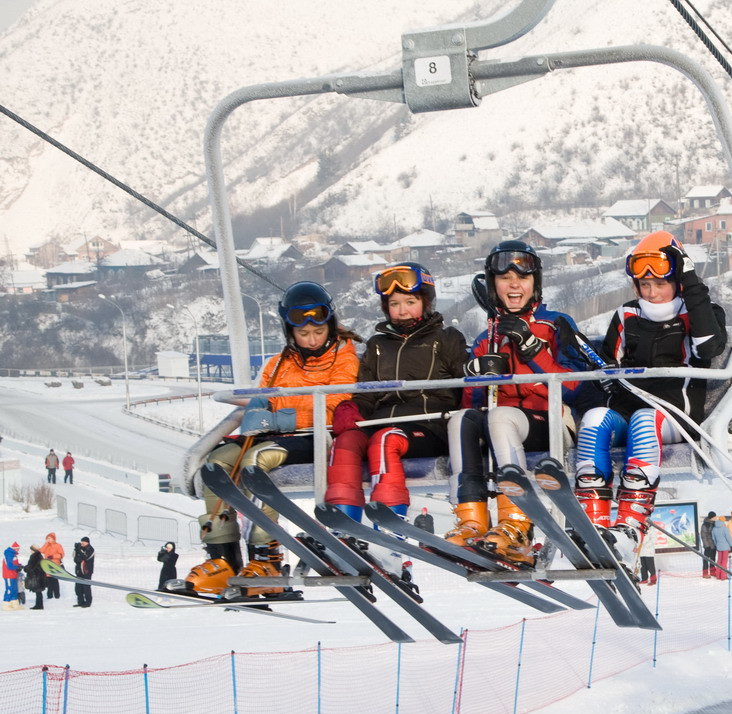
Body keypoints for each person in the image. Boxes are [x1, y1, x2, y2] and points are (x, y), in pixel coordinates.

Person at [183, 280, 361, 596]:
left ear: (330, 327)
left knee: (255, 463)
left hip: (315, 437)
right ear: (290, 332)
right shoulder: (279, 363)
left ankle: (267, 557)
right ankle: (222, 558)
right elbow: (265, 396)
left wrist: (284, 415)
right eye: (303, 334)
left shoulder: (344, 357)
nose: (311, 339)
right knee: (216, 464)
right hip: (277, 434)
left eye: (318, 332)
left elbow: (337, 403)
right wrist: (259, 410)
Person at [573, 231, 727, 545]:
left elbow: (709, 346)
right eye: (645, 285)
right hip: (628, 409)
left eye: (660, 284)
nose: (652, 293)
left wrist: (690, 281)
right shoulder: (627, 315)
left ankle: (630, 526)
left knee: (646, 419)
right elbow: (606, 363)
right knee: (594, 420)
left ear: (678, 280)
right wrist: (601, 371)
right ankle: (592, 526)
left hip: (674, 413)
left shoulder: (700, 315)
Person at [453, 240, 592, 564]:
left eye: (523, 278)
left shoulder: (555, 324)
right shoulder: (486, 337)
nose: (514, 284)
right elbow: (471, 405)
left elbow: (574, 387)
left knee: (500, 416)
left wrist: (533, 351)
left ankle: (518, 525)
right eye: (505, 278)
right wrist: (474, 377)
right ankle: (472, 522)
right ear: (493, 285)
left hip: (553, 423)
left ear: (535, 283)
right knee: (461, 420)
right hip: (502, 429)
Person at [327, 262, 467, 527]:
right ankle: (344, 524)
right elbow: (367, 393)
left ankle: (391, 523)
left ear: (425, 302)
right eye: (394, 304)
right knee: (344, 443)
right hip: (381, 421)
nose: (402, 311)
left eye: (410, 301)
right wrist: (353, 408)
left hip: (428, 424)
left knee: (384, 441)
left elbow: (465, 384)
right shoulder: (378, 345)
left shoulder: (446, 338)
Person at [40, 531, 64, 600]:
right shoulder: (47, 545)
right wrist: (46, 543)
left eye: (50, 538)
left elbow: (61, 555)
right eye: (47, 538)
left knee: (55, 580)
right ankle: (49, 595)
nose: (49, 539)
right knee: (49, 580)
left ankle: (57, 595)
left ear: (53, 539)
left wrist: (53, 556)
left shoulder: (58, 545)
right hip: (47, 565)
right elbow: (41, 550)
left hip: (55, 565)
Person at [72, 536, 95, 608]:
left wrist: (79, 551)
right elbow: (75, 559)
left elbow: (86, 557)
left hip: (87, 571)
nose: (82, 543)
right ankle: (80, 602)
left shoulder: (90, 549)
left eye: (84, 541)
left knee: (86, 587)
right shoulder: (79, 548)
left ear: (87, 542)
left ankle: (88, 602)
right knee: (78, 587)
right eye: (81, 541)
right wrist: (76, 549)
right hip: (79, 570)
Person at [710, 513, 732, 581]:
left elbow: (714, 539)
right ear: (723, 521)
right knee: (724, 561)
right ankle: (723, 576)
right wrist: (731, 545)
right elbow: (728, 538)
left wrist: (717, 545)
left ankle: (718, 575)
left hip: (719, 547)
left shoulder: (714, 529)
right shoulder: (724, 528)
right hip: (725, 547)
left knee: (719, 561)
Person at [24, 544, 48, 610]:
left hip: (36, 576)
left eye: (31, 549)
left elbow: (31, 567)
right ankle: (39, 605)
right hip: (40, 576)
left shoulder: (34, 556)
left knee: (38, 592)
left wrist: (25, 568)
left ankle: (39, 606)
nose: (30, 551)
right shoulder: (40, 556)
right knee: (38, 592)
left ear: (33, 550)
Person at [638, 520, 659, 587]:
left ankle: (653, 580)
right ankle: (644, 579)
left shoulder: (652, 530)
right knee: (643, 566)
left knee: (650, 566)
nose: (645, 523)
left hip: (648, 551)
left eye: (646, 522)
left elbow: (653, 540)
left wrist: (644, 545)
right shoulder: (642, 529)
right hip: (642, 551)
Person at [700, 510, 718, 579]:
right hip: (708, 545)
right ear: (711, 517)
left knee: (713, 559)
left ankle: (713, 572)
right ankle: (705, 573)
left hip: (713, 544)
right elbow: (703, 536)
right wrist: (706, 545)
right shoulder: (705, 525)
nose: (716, 517)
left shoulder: (714, 524)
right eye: (714, 516)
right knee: (706, 559)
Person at [2, 541, 20, 610]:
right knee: (9, 589)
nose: (18, 550)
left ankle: (14, 603)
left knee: (14, 589)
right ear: (14, 548)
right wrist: (17, 568)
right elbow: (9, 565)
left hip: (13, 574)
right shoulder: (9, 554)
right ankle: (6, 603)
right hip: (8, 575)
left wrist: (19, 566)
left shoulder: (14, 555)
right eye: (17, 548)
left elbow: (15, 563)